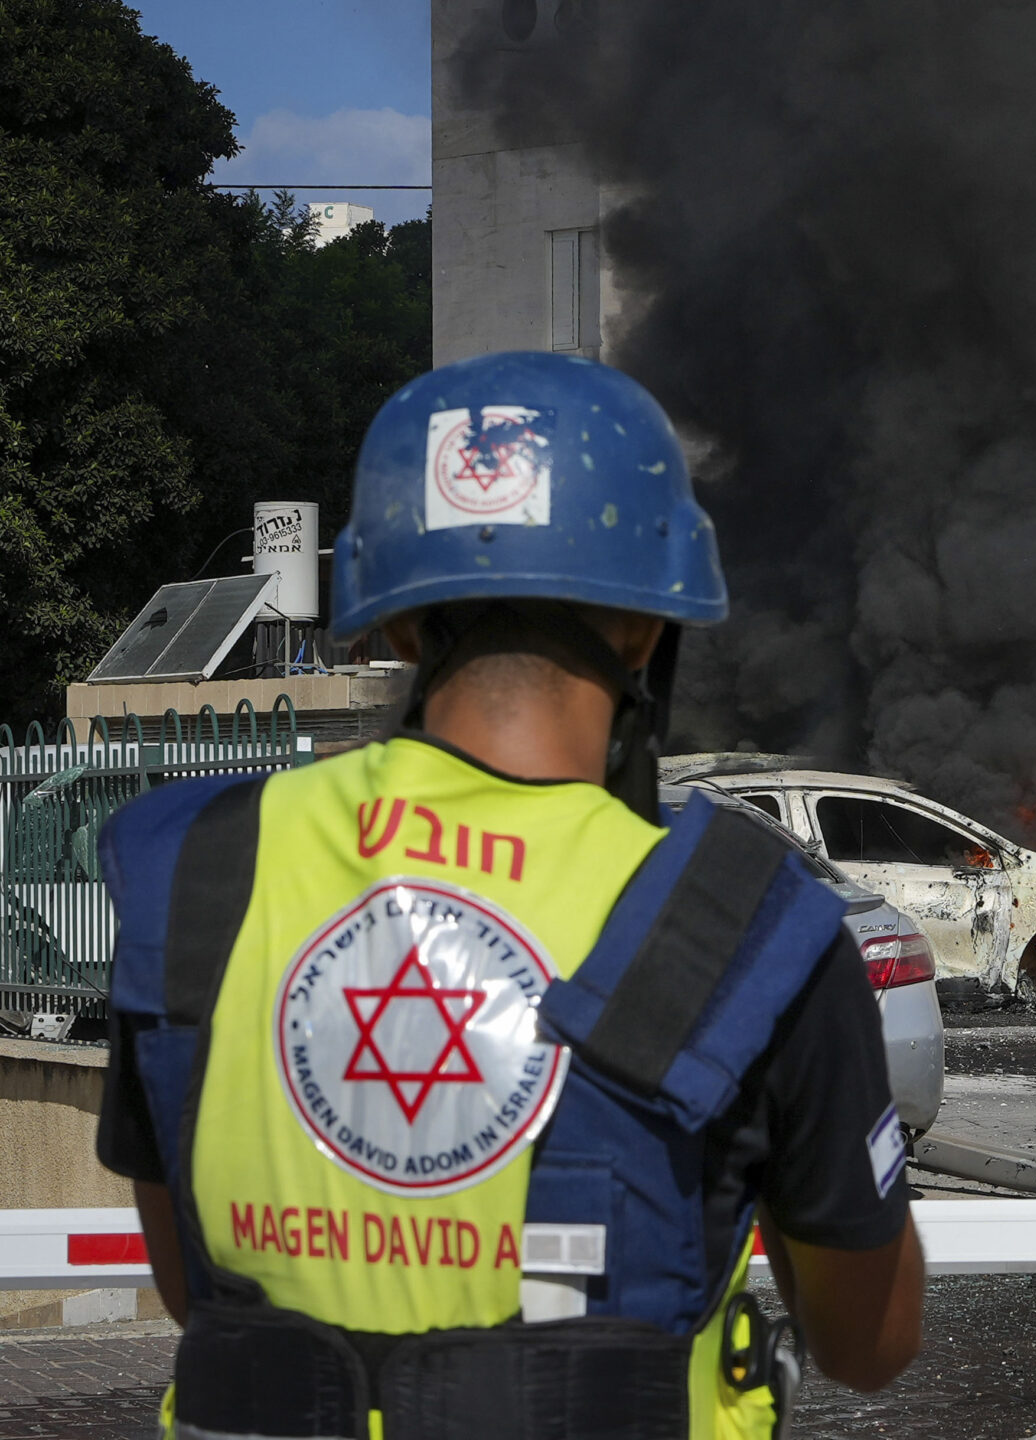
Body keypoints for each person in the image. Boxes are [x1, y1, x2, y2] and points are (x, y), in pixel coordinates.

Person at [94, 351, 924, 1440]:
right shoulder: (743, 926)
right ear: (647, 627)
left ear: (398, 624)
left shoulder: (204, 871)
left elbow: (194, 1288)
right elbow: (867, 1344)